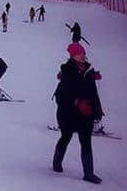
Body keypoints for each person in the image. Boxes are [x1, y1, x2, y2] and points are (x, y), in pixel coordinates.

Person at [52, 43, 103, 184]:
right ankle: (57, 163)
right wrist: (77, 103)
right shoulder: (67, 71)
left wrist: (97, 110)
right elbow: (62, 95)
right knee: (66, 137)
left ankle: (89, 173)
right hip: (69, 113)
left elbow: (93, 93)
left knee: (86, 141)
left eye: (83, 53)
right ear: (72, 55)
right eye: (79, 53)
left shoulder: (88, 70)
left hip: (86, 113)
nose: (83, 55)